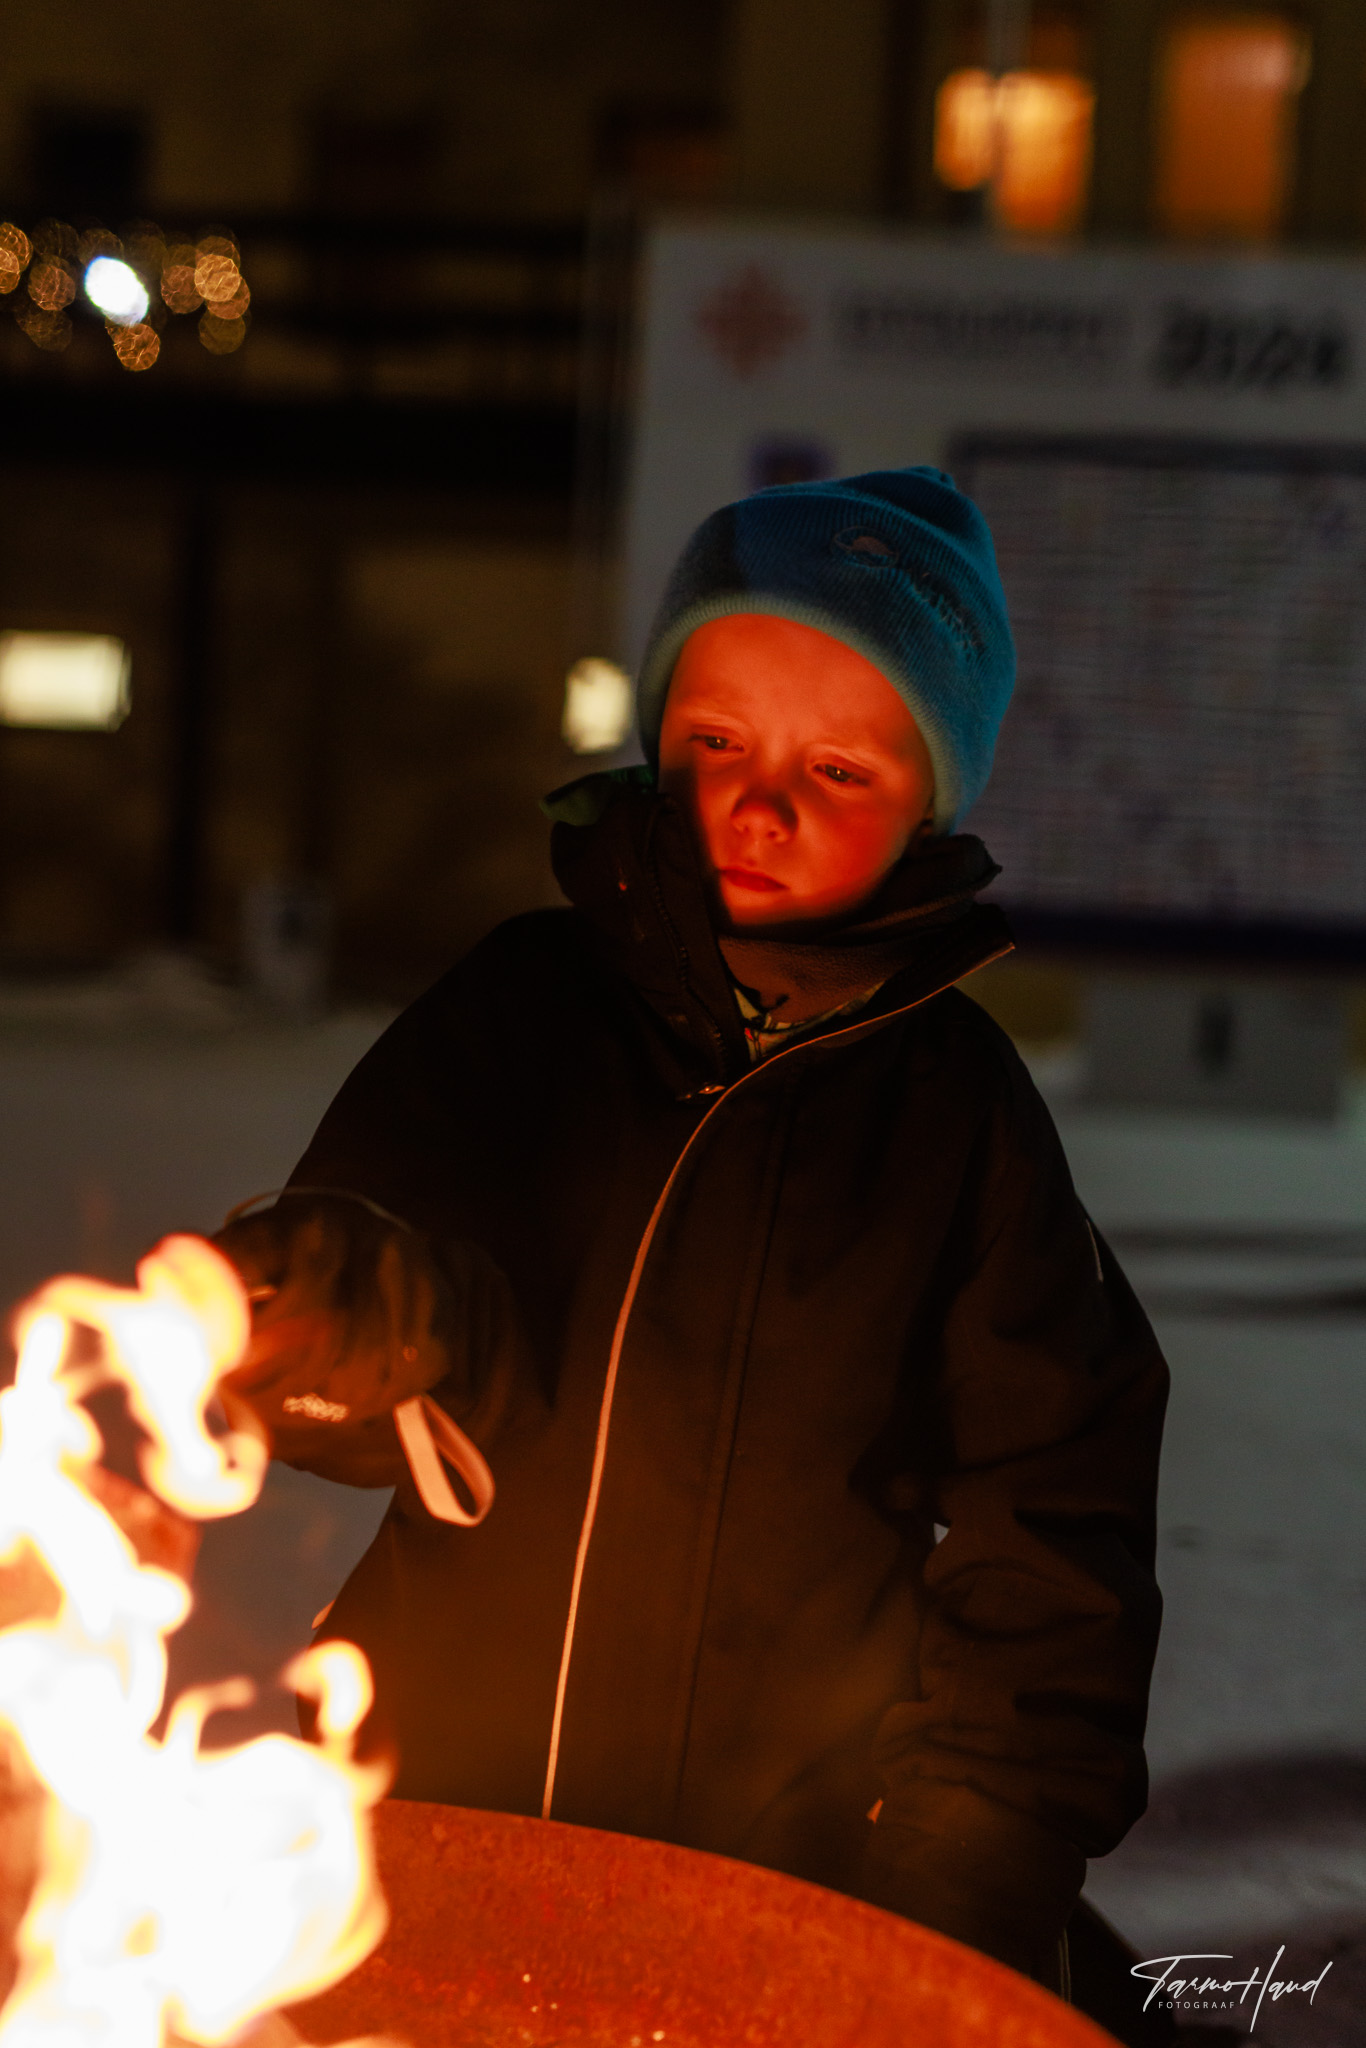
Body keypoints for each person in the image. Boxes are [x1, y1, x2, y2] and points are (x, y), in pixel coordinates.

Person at [216, 468, 1168, 2004]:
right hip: (440, 1822)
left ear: (927, 805)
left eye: (836, 768)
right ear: (657, 736)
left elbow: (1052, 1527)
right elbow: (398, 1303)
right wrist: (342, 1311)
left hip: (779, 1873)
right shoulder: (529, 1008)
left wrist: (968, 1862)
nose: (759, 803)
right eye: (717, 741)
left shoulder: (956, 1119)